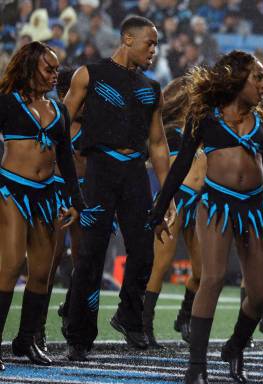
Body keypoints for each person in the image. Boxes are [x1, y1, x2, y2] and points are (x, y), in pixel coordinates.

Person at [147, 50, 263, 384]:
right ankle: (196, 370)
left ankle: (235, 346)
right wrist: (159, 208)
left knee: (259, 295)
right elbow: (180, 167)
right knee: (211, 278)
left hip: (254, 210)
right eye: (257, 77)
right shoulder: (205, 119)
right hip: (215, 206)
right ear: (237, 78)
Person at [61, 16, 172, 361]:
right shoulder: (89, 74)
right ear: (127, 39)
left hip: (135, 173)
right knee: (90, 253)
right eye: (149, 43)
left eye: (156, 44)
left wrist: (167, 197)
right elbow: (60, 126)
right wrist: (63, 180)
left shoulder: (151, 88)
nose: (154, 50)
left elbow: (157, 144)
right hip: (99, 171)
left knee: (143, 252)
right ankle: (79, 336)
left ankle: (129, 315)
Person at [0, 41, 84, 370]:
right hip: (12, 191)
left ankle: (26, 339)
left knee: (41, 272)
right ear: (30, 66)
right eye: (49, 68)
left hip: (48, 194)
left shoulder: (58, 110)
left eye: (56, 68)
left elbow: (65, 158)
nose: (55, 74)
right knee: (9, 267)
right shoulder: (6, 102)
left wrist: (76, 201)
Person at [143, 75, 206, 348]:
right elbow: (167, 171)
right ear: (185, 98)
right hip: (175, 201)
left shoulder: (199, 130)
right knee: (160, 266)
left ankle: (185, 317)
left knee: (204, 270)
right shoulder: (170, 132)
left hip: (199, 202)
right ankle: (142, 324)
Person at [39, 68, 86, 353]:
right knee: (51, 259)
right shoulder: (53, 119)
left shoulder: (92, 123)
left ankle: (72, 315)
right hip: (56, 192)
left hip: (83, 194)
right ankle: (37, 328)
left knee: (84, 263)